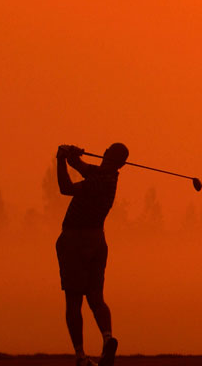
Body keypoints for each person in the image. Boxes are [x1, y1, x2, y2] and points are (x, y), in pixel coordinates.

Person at [55, 143, 127, 366]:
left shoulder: (99, 181)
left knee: (74, 299)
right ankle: (107, 339)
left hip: (76, 240)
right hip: (97, 241)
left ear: (106, 154)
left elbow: (65, 188)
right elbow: (83, 167)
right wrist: (73, 157)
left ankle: (80, 356)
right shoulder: (109, 177)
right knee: (96, 297)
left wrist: (59, 160)